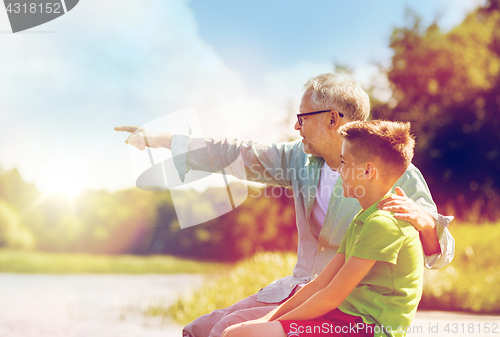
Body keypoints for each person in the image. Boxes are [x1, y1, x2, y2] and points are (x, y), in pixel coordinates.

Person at [115, 73, 454, 337]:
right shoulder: (299, 159)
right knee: (199, 329)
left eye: (303, 117)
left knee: (227, 331)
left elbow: (442, 253)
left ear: (333, 119)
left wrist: (426, 223)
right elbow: (236, 152)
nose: (296, 126)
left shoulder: (397, 173)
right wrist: (166, 141)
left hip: (351, 307)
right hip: (300, 288)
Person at [221, 120, 424, 337]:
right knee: (238, 331)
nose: (338, 170)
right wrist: (266, 319)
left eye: (344, 162)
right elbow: (319, 284)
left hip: (368, 329)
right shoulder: (364, 219)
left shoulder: (383, 223)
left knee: (240, 335)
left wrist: (268, 325)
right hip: (346, 319)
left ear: (367, 171)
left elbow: (330, 296)